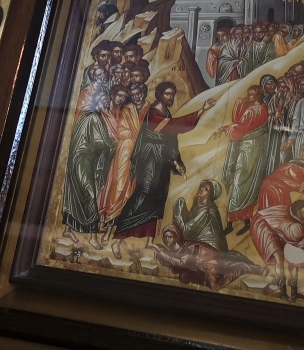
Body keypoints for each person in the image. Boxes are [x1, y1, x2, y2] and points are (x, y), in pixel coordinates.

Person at [112, 82, 217, 255]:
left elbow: (170, 140)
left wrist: (176, 161)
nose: (171, 97)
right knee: (143, 195)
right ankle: (118, 239)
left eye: (173, 94)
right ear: (160, 95)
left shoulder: (165, 112)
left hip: (162, 162)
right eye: (168, 94)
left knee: (158, 199)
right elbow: (172, 126)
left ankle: (149, 241)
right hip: (150, 160)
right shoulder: (153, 113)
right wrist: (200, 111)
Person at [61, 91, 117, 250]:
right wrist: (113, 144)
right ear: (96, 100)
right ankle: (93, 236)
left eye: (107, 100)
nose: (105, 103)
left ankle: (67, 230)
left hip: (77, 159)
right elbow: (99, 142)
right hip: (83, 159)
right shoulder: (94, 117)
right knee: (89, 193)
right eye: (103, 100)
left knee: (74, 193)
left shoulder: (85, 115)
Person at [214, 85, 272, 236]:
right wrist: (241, 102)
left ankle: (230, 224)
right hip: (256, 148)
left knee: (240, 183)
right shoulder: (263, 107)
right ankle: (245, 221)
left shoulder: (252, 111)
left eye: (252, 95)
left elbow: (239, 128)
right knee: (249, 183)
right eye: (248, 94)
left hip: (248, 149)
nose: (249, 97)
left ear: (259, 95)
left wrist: (223, 129)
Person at [250, 200, 304, 300]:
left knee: (292, 255)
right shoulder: (295, 229)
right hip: (263, 226)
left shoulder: (294, 215)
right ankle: (283, 293)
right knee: (279, 256)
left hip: (276, 225)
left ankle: (294, 294)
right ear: (298, 213)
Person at [98, 83, 149, 245]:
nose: (136, 97)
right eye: (133, 95)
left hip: (142, 154)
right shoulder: (127, 110)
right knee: (119, 187)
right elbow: (121, 132)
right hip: (125, 151)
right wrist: (137, 135)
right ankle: (109, 226)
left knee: (133, 190)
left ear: (143, 92)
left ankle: (122, 231)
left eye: (138, 93)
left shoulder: (149, 109)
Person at [153, 225, 259, 292]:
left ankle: (239, 269)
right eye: (165, 237)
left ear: (176, 237)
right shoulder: (173, 250)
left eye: (170, 237)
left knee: (214, 287)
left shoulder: (186, 247)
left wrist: (163, 255)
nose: (167, 239)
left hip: (209, 262)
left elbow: (182, 263)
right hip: (198, 267)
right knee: (184, 277)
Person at [172, 179, 228, 252]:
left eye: (206, 189)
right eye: (202, 186)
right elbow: (189, 221)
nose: (202, 189)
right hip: (198, 243)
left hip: (208, 247)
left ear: (210, 194)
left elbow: (186, 232)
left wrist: (177, 213)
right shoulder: (198, 204)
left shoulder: (207, 210)